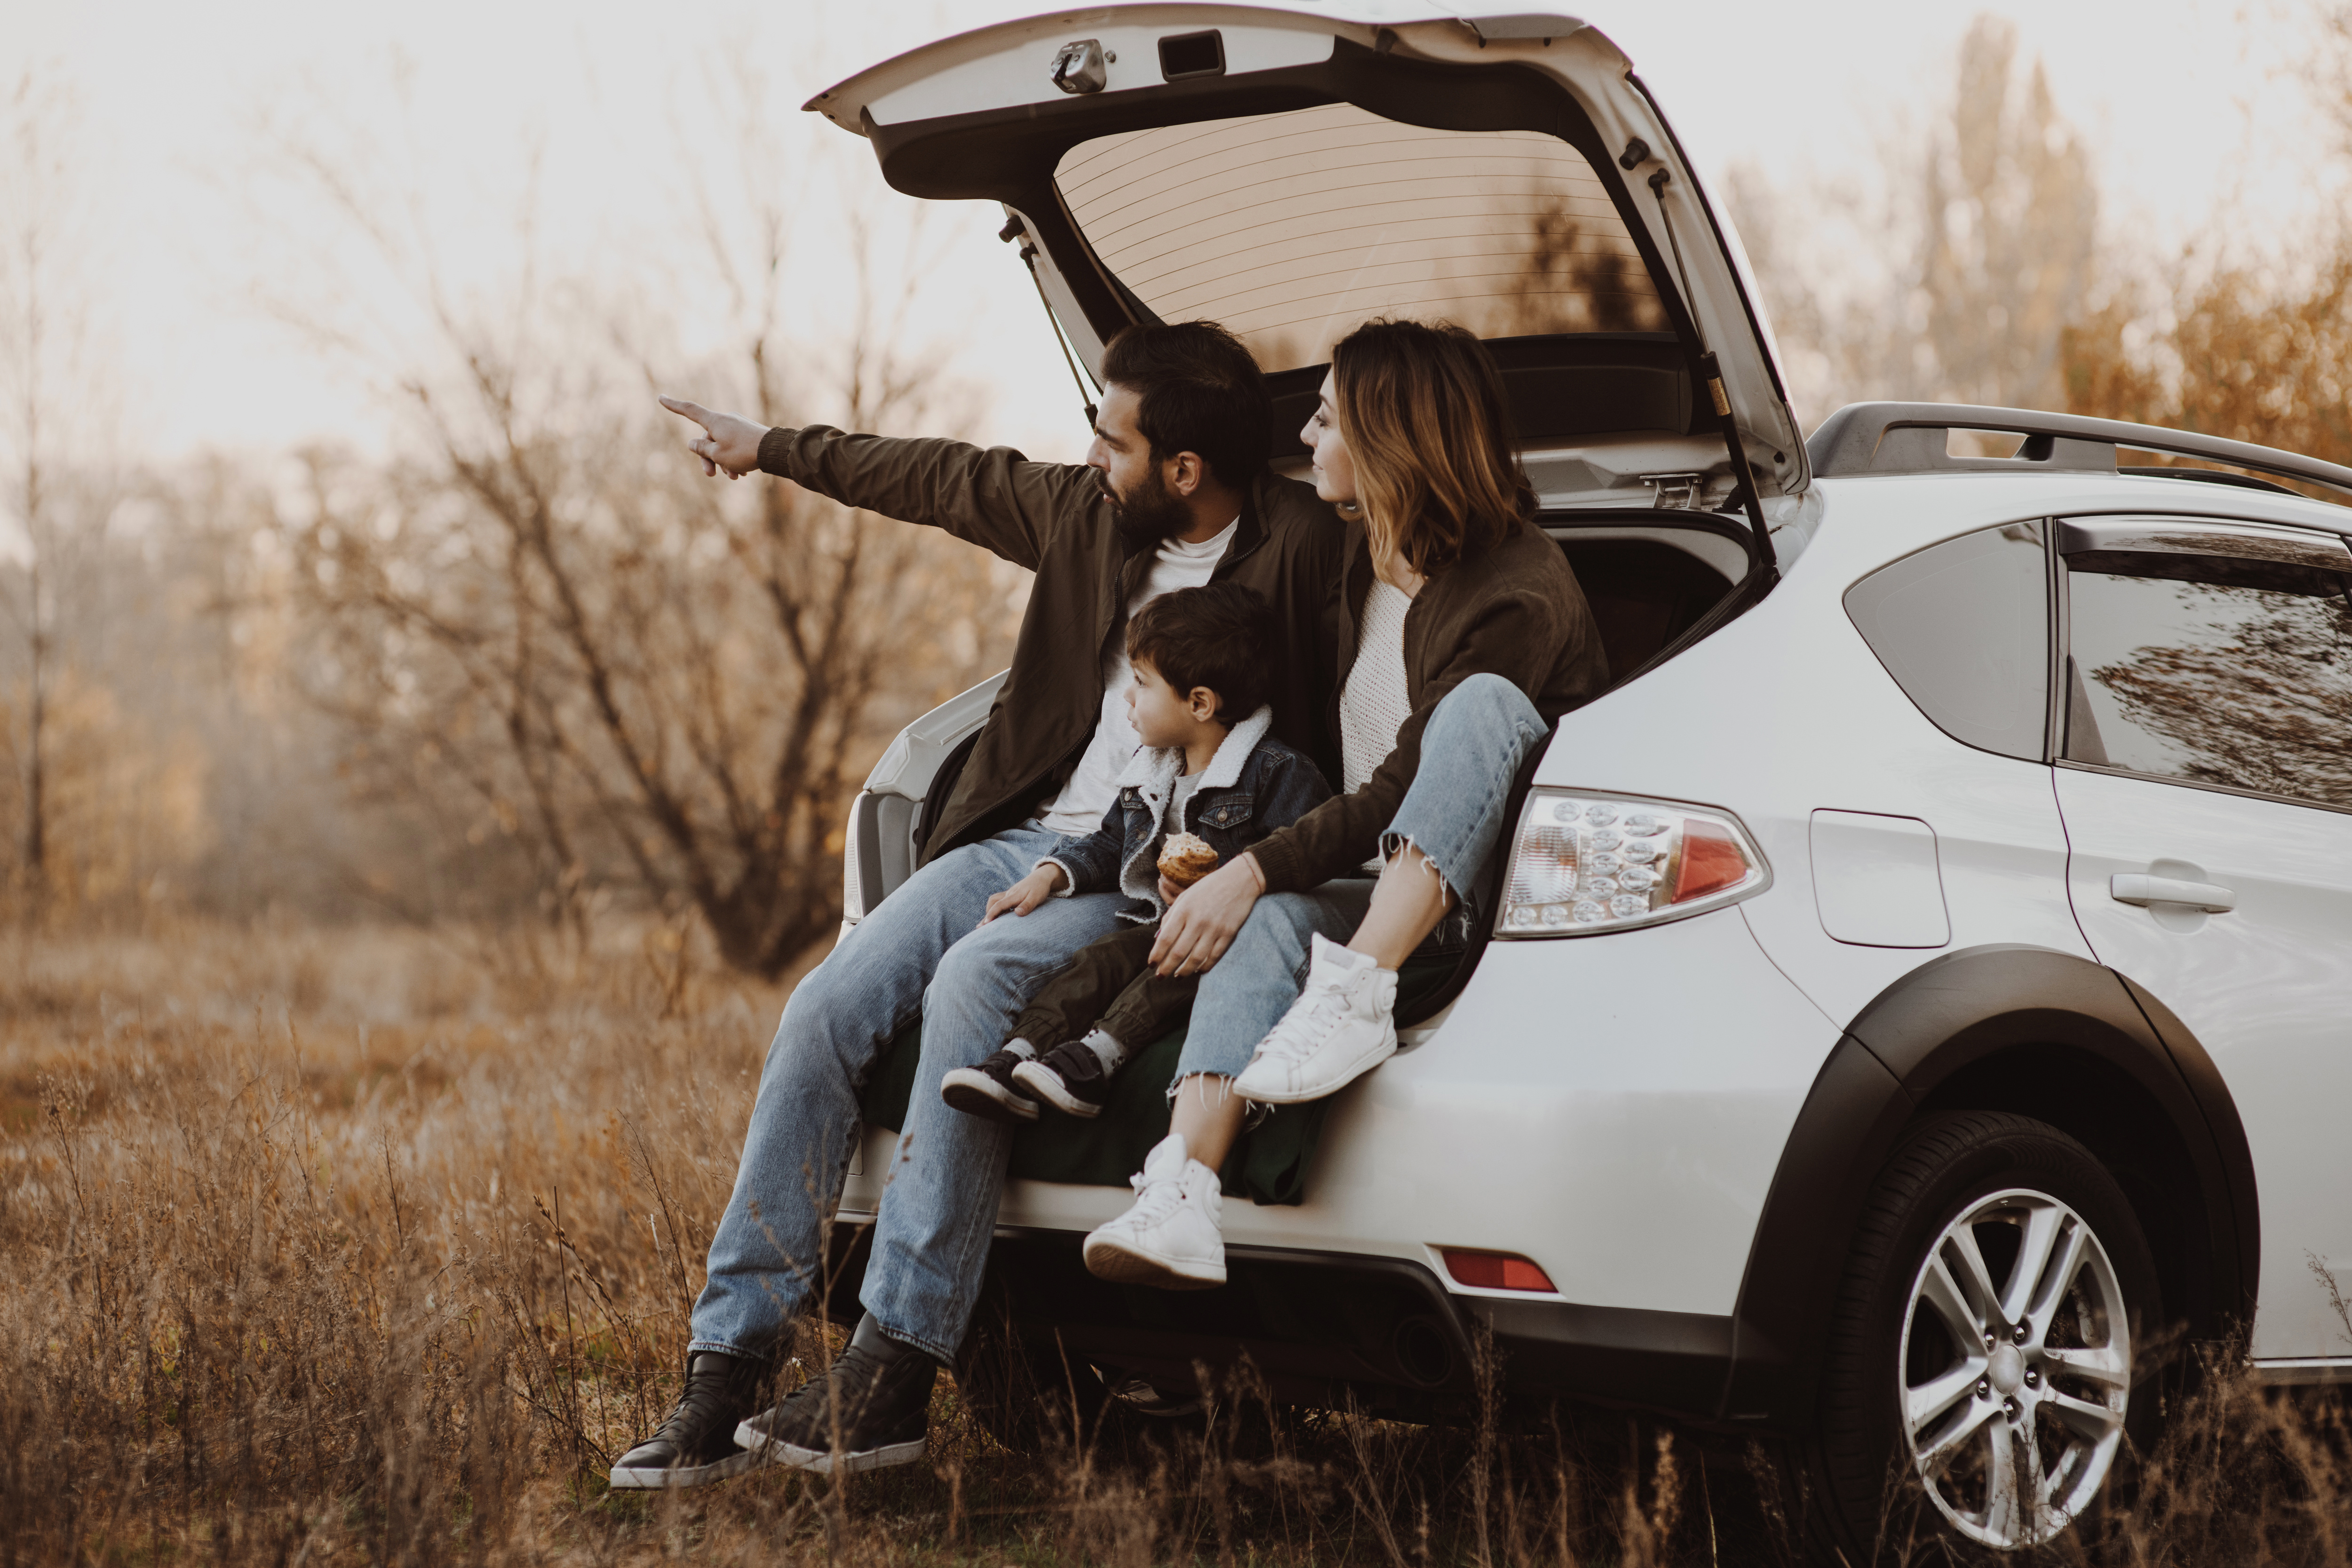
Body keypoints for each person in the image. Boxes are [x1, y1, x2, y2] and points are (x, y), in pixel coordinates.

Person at [607, 323, 1344, 1488]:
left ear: (1186, 471)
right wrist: (772, 449)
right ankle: (726, 1362)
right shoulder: (1089, 518)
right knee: (822, 1009)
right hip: (1013, 842)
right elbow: (941, 477)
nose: (1092, 456)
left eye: (1114, 441)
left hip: (1143, 870)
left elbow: (1382, 658)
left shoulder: (1303, 547)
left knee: (970, 989)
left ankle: (896, 1361)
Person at [1080, 318, 1611, 1290]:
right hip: (1360, 888)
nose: (1308, 442)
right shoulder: (1356, 566)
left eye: (1324, 421)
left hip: (1462, 910)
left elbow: (1400, 785)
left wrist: (1251, 865)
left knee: (1480, 706)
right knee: (1270, 917)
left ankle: (1355, 992)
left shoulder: (1516, 592)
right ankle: (1181, 1187)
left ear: (1387, 439)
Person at [939, 581, 1332, 1124]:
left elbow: (1297, 864)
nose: (1126, 697)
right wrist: (1051, 874)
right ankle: (1017, 1058)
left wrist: (1221, 886)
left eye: (1141, 683)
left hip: (1223, 942)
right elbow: (1108, 841)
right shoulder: (1153, 772)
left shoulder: (1277, 773)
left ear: (1198, 703)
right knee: (1099, 960)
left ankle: (1095, 1060)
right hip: (1162, 925)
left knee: (1164, 975)